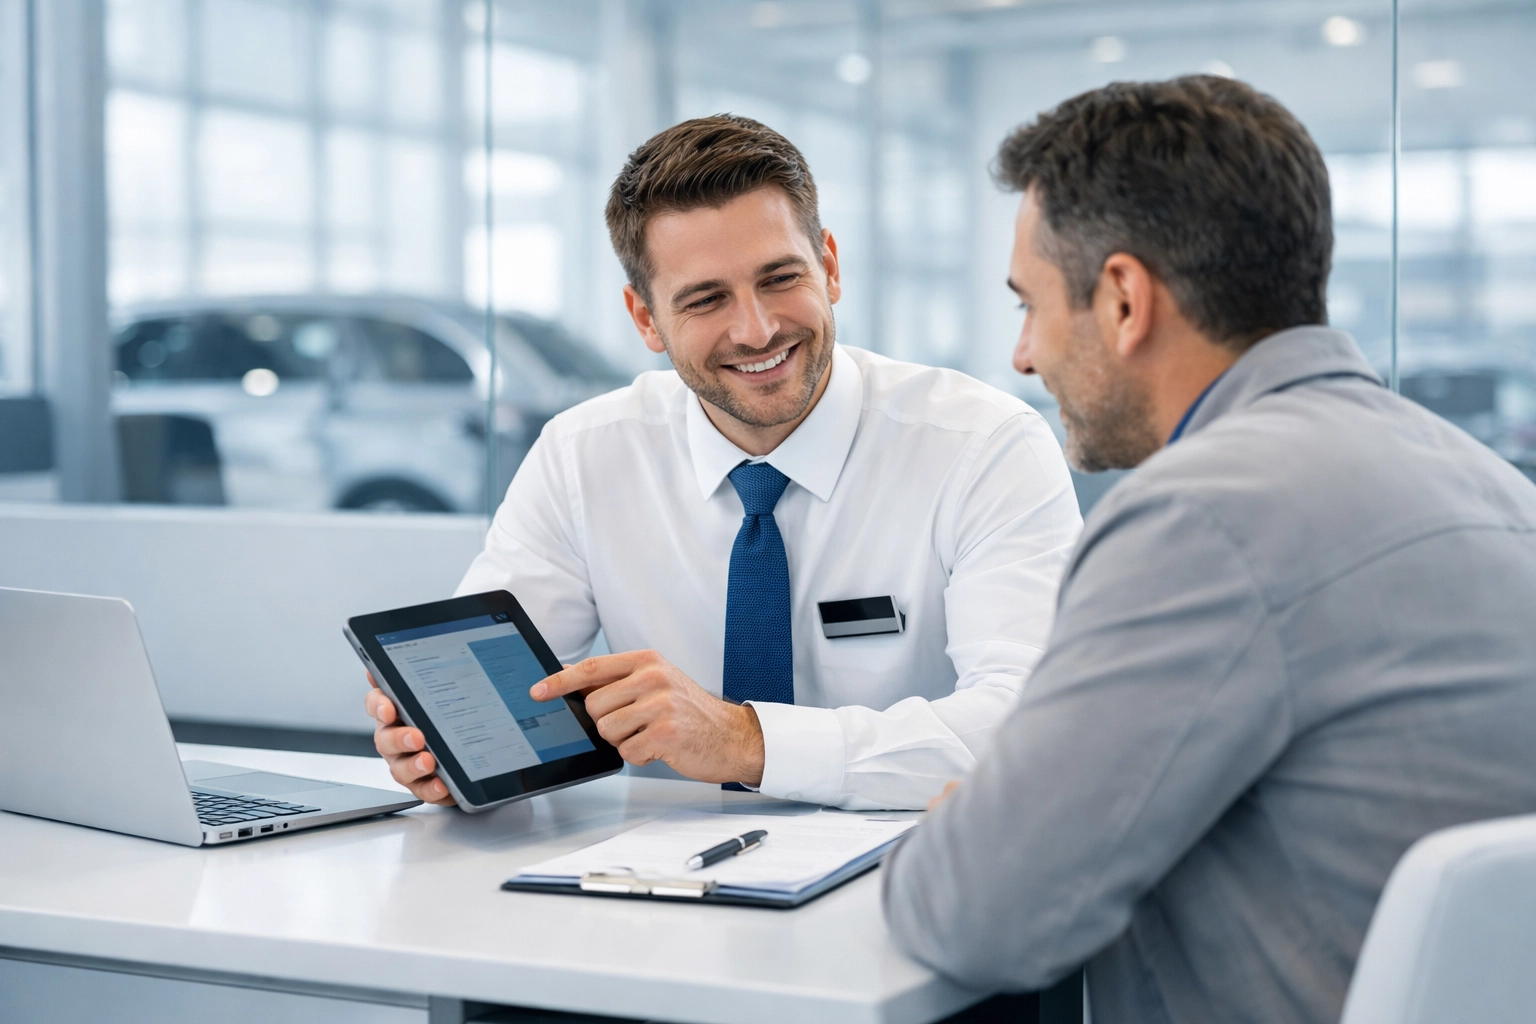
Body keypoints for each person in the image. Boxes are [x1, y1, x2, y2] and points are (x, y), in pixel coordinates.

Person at [882, 75, 1536, 1022]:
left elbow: (973, 912)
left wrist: (974, 830)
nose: (1022, 355)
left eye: (1029, 305)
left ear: (1122, 300)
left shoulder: (1206, 519)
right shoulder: (1493, 487)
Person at [366, 114, 1082, 811]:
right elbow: (496, 689)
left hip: (913, 868)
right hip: (659, 883)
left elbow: (1034, 727)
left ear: (829, 266)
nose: (758, 328)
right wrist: (441, 744)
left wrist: (747, 741)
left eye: (779, 278)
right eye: (706, 299)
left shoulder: (983, 445)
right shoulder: (583, 454)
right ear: (645, 318)